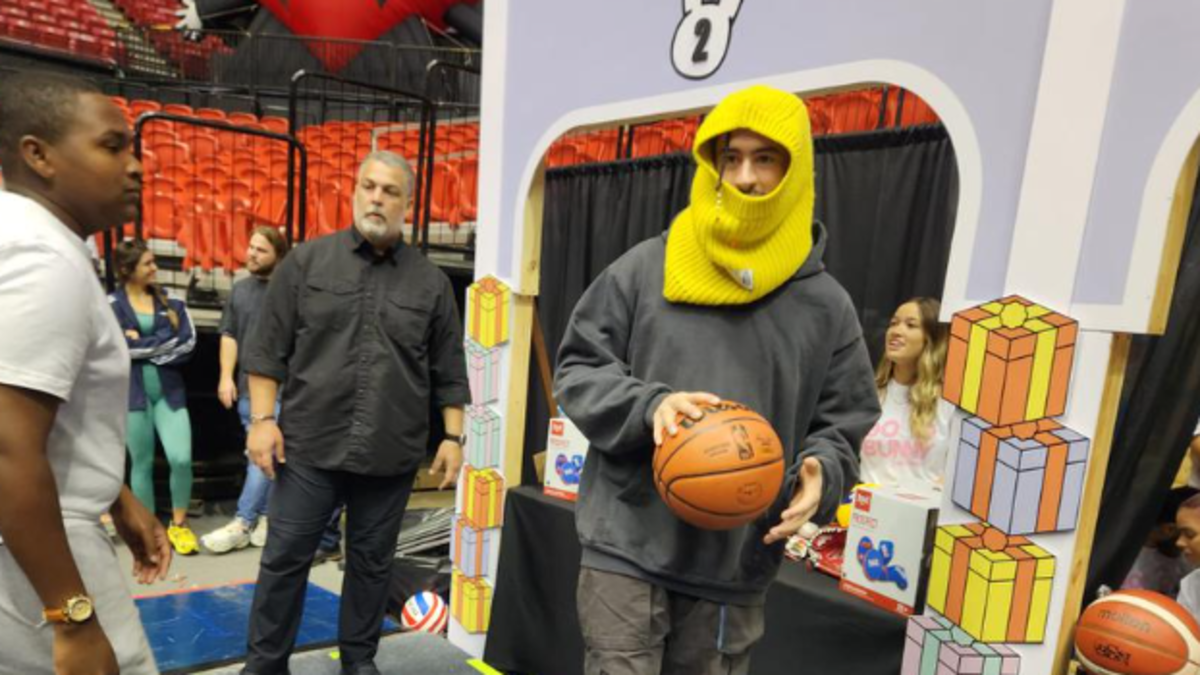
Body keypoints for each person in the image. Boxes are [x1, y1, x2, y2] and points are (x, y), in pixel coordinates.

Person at [554, 85, 881, 675]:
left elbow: (844, 422)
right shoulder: (647, 267)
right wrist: (648, 406)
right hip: (626, 542)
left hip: (735, 563)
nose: (746, 178)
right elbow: (578, 369)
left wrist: (823, 471)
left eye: (765, 159)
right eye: (731, 158)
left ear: (796, 171)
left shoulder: (825, 305)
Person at [240, 150, 471, 675]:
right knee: (284, 560)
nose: (377, 198)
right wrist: (262, 421)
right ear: (354, 191)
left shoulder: (431, 283)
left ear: (408, 204)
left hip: (390, 454)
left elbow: (449, 368)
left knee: (371, 565)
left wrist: (453, 436)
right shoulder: (306, 263)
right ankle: (265, 666)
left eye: (390, 191)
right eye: (369, 186)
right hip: (308, 447)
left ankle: (359, 662)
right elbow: (267, 350)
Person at [0, 71, 171, 675]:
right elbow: (7, 446)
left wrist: (115, 495)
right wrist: (71, 616)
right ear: (39, 155)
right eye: (112, 146)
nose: (136, 166)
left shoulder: (28, 237)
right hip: (36, 547)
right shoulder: (42, 258)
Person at [200, 227, 345, 561]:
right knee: (262, 456)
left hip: (284, 390)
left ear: (279, 256)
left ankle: (244, 520)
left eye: (261, 250)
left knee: (263, 455)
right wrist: (225, 376)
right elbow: (229, 335)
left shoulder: (293, 291)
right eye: (250, 247)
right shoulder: (240, 290)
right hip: (247, 388)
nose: (251, 254)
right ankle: (264, 516)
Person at [110, 238, 199, 555]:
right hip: (132, 396)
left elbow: (186, 344)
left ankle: (179, 524)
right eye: (147, 263)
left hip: (169, 394)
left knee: (181, 458)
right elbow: (115, 349)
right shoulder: (111, 305)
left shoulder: (172, 301)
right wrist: (161, 341)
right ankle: (148, 529)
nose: (154, 268)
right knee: (142, 464)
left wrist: (138, 344)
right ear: (126, 270)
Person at [858, 297, 954, 492]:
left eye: (910, 325)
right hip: (864, 506)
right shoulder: (868, 394)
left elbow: (961, 473)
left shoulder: (950, 403)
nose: (896, 331)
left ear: (932, 338)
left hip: (921, 508)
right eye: (893, 323)